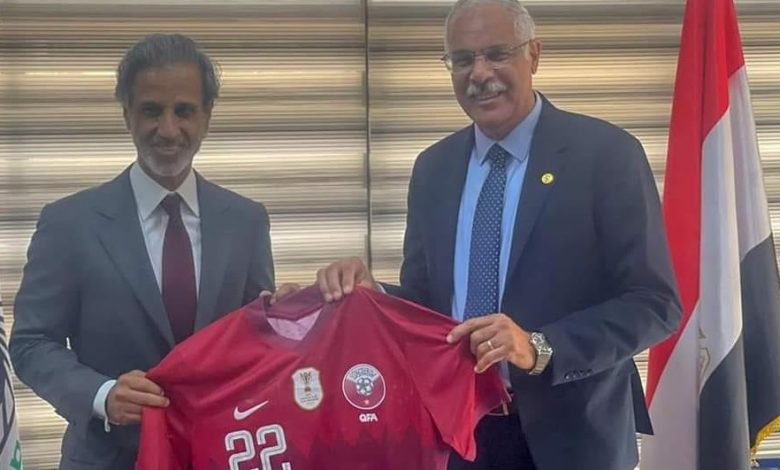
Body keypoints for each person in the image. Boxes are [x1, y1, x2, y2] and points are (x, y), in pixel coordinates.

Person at [314, 1, 682, 469]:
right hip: (458, 435)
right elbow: (428, 303)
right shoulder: (433, 169)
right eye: (462, 59)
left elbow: (655, 303)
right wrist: (375, 296)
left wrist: (540, 347)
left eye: (496, 54)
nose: (480, 73)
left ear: (534, 54)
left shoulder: (606, 155)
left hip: (573, 440)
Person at [10, 34, 275, 470]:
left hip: (221, 453)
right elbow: (31, 343)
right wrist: (102, 394)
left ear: (207, 115)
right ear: (127, 114)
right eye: (152, 110)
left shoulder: (246, 221)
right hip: (108, 458)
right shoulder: (68, 223)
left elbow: (256, 336)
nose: (168, 130)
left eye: (183, 111)